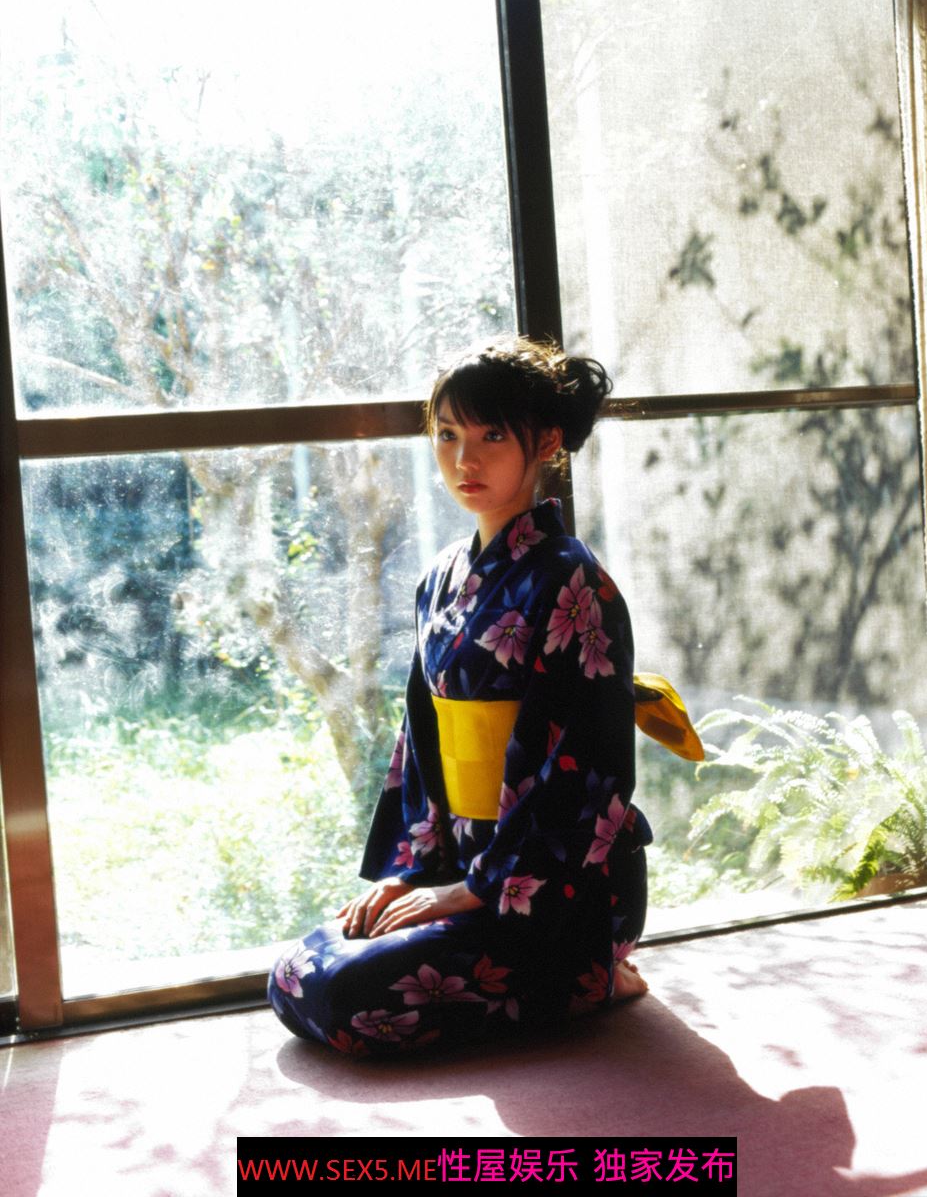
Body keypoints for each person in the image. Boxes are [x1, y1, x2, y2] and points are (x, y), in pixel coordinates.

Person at [267, 337, 652, 1056]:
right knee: (295, 976)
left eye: (492, 436)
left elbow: (586, 769)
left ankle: (592, 970)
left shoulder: (573, 583)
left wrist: (474, 888)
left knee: (347, 999)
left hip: (558, 887)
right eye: (447, 435)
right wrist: (412, 872)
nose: (463, 459)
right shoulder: (442, 576)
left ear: (545, 442)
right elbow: (420, 744)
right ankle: (558, 977)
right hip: (463, 870)